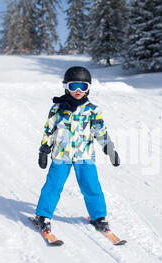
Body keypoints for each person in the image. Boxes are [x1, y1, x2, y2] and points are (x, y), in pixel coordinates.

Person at [35, 66, 120, 234]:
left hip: (84, 156)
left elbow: (100, 131)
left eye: (84, 86)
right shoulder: (57, 109)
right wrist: (44, 149)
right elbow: (49, 130)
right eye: (74, 86)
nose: (79, 91)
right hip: (61, 155)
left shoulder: (92, 110)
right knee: (53, 186)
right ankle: (43, 216)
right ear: (66, 87)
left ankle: (99, 217)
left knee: (92, 187)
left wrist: (109, 148)